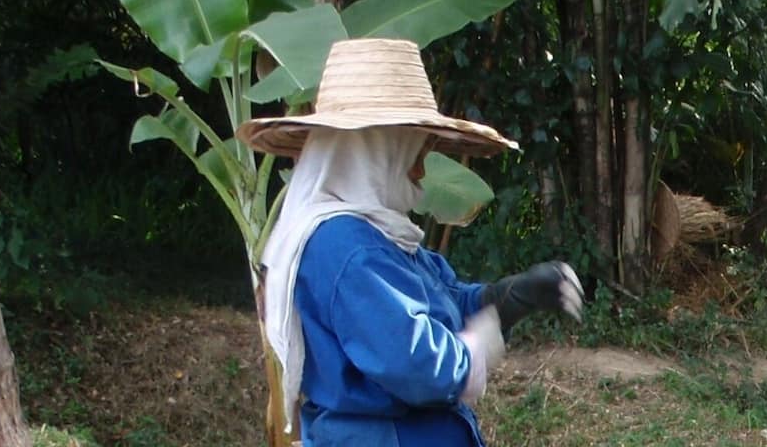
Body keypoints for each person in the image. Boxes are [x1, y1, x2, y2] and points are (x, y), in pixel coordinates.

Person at [241, 38, 586, 446]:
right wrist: (478, 344)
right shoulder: (347, 248)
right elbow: (416, 364)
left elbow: (443, 299)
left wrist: (505, 299)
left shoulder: (380, 238)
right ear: (379, 150)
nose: (422, 169)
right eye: (415, 152)